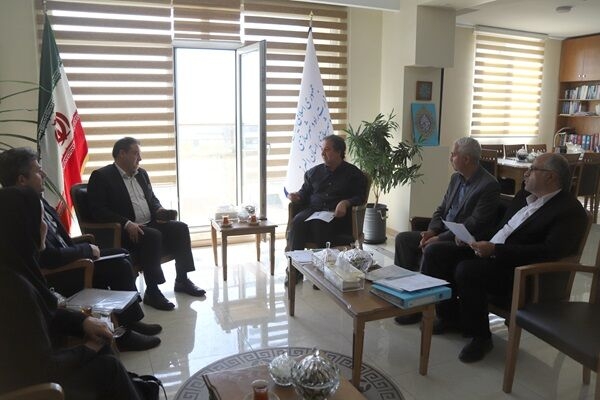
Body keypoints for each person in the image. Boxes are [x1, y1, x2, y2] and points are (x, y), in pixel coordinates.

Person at [421, 152, 587, 363]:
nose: (525, 173)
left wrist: (495, 251)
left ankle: (481, 337)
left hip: (518, 270)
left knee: (467, 270)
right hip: (491, 252)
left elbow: (548, 252)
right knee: (436, 252)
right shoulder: (523, 196)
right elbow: (501, 229)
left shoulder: (569, 211)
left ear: (550, 177)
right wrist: (471, 238)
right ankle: (450, 317)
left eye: (532, 169)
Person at [0, 148, 161, 351]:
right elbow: (47, 257)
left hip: (69, 258)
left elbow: (60, 240)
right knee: (119, 265)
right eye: (38, 171)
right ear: (22, 180)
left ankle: (130, 321)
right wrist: (86, 250)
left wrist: (84, 248)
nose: (44, 174)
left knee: (122, 254)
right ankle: (125, 336)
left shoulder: (37, 200)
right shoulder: (18, 214)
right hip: (60, 273)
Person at [0, 186, 142, 399]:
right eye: (40, 220)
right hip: (34, 389)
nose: (44, 227)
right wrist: (89, 348)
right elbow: (42, 369)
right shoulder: (14, 290)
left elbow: (45, 313)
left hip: (36, 368)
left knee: (100, 343)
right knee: (108, 366)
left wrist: (83, 322)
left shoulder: (17, 265)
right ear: (22, 227)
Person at [87, 137, 205, 311]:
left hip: (149, 223)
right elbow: (98, 211)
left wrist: (159, 210)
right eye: (136, 154)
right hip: (124, 230)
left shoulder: (141, 174)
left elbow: (152, 199)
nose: (140, 159)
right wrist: (127, 223)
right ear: (122, 154)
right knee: (152, 236)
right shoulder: (102, 176)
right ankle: (152, 291)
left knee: (180, 227)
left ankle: (182, 280)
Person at [393, 137, 500, 324]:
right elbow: (441, 209)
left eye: (453, 154)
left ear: (466, 159)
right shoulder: (456, 178)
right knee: (403, 239)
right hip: (443, 232)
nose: (450, 158)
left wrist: (440, 238)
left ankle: (423, 307)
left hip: (464, 241)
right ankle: (405, 298)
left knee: (433, 249)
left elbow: (474, 223)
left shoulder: (488, 185)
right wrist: (432, 231)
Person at [286, 134, 367, 284]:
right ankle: (294, 271)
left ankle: (323, 273)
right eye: (322, 149)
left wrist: (345, 202)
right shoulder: (313, 173)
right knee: (297, 222)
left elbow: (360, 197)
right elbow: (304, 193)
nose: (322, 153)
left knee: (319, 225)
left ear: (338, 152)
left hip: (335, 215)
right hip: (313, 210)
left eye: (327, 150)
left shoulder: (353, 174)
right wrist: (296, 196)